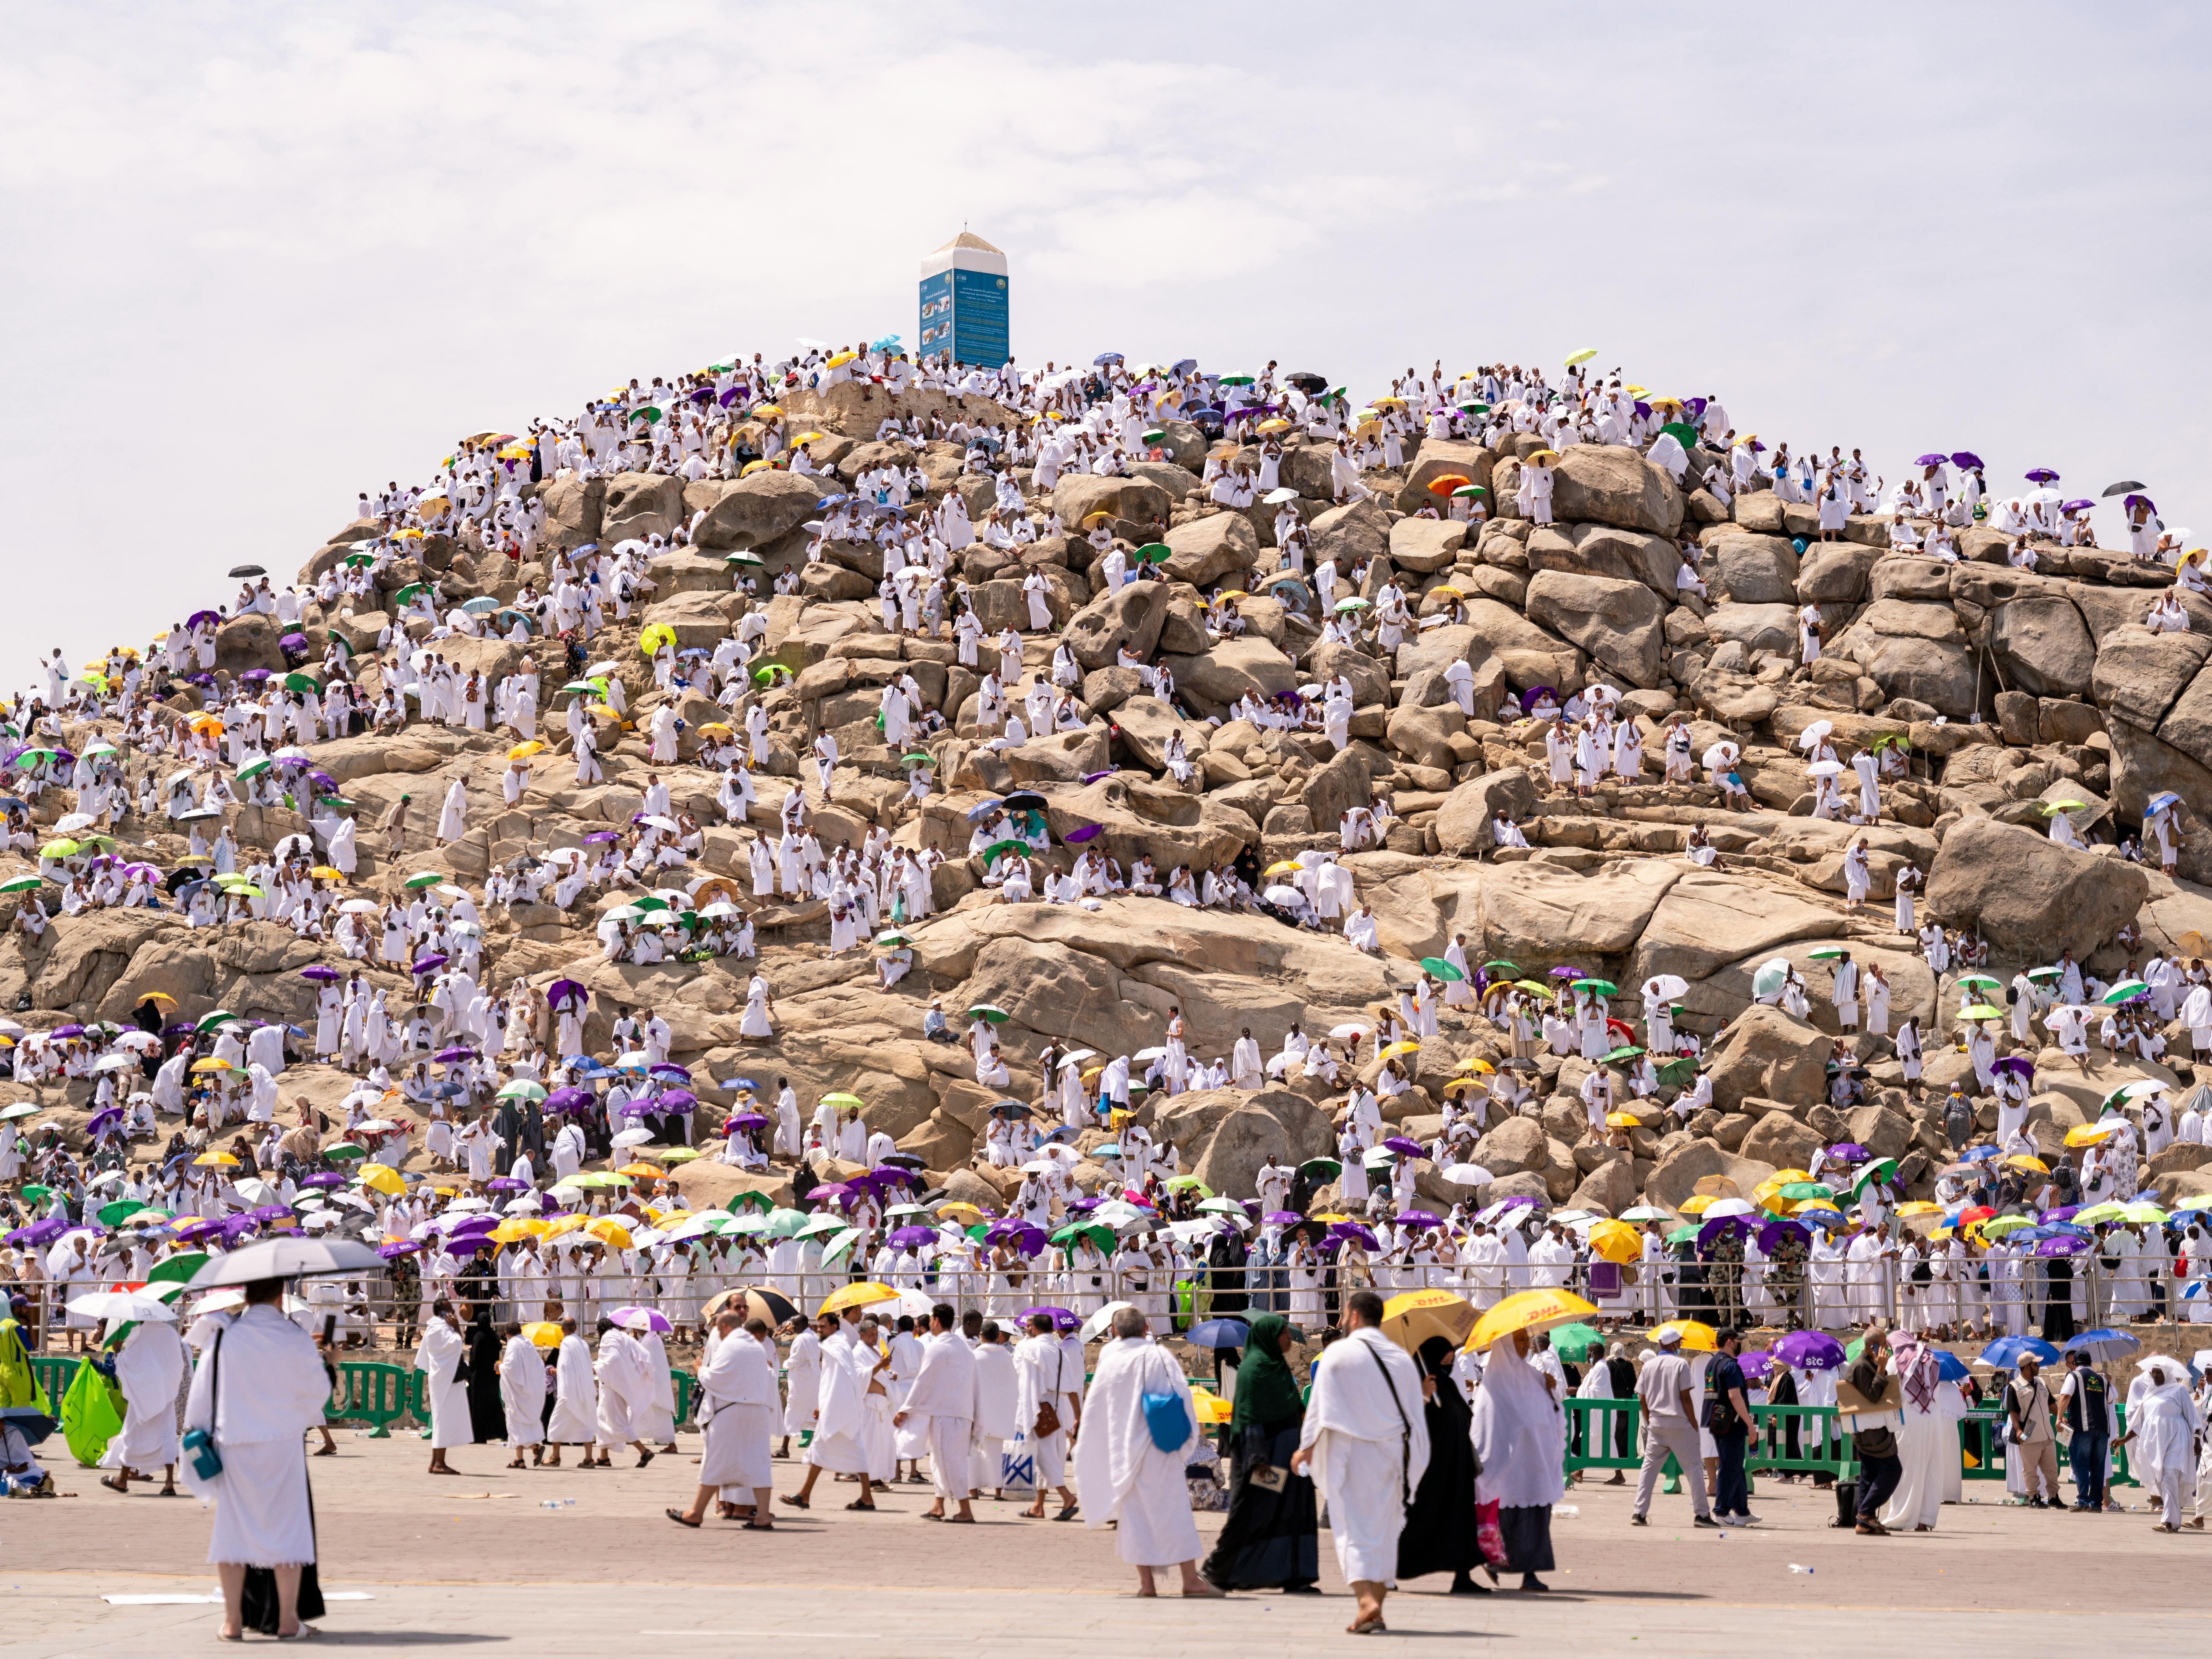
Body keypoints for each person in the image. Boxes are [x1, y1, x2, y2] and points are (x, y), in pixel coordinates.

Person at [183, 1275, 336, 1641]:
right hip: (282, 1443)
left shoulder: (223, 1336)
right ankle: (287, 1620)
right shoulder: (295, 1337)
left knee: (233, 1528)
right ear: (280, 1294)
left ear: (245, 1293)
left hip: (234, 1441)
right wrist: (329, 1362)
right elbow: (316, 1394)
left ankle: (232, 1622)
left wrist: (197, 1436)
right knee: (289, 1528)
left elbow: (201, 1395)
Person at [1292, 1288, 1429, 1633]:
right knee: (1383, 1533)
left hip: (1349, 1456)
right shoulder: (1401, 1359)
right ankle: (1375, 1611)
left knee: (1351, 1529)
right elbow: (1417, 1418)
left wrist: (1306, 1447)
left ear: (1353, 1317)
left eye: (1342, 1315)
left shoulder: (1338, 1354)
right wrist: (1416, 1469)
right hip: (1391, 1457)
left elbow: (1319, 1408)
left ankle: (1366, 1602)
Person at [1073, 1305, 1221, 1598]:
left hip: (1122, 1452)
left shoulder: (1108, 1359)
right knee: (1175, 1513)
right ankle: (1190, 1580)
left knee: (1134, 1519)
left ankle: (1147, 1585)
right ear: (1146, 1329)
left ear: (1114, 1332)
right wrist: (1188, 1443)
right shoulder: (1158, 1355)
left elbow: (1096, 1409)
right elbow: (1181, 1397)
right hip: (1158, 1449)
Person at [1201, 1311, 1320, 1594]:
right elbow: (1250, 1416)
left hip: (1288, 1458)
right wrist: (1258, 1459)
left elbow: (1291, 1406)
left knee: (1294, 1514)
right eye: (1284, 1334)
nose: (1289, 1338)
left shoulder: (1276, 1366)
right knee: (1251, 1515)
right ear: (1270, 1337)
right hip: (1264, 1461)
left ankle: (1295, 1576)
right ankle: (1217, 1572)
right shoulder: (1254, 1369)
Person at [1469, 1325, 1565, 1591]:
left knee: (1536, 1520)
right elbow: (1486, 1428)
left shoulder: (1534, 1377)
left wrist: (1550, 1390)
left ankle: (1529, 1575)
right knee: (1508, 1523)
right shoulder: (1494, 1383)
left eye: (1526, 1339)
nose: (1526, 1344)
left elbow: (1551, 1412)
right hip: (1507, 1470)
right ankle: (1497, 1562)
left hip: (1535, 1465)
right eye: (1520, 1340)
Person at [671, 1311, 777, 1530]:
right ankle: (763, 1516)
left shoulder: (730, 1346)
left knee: (714, 1462)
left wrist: (699, 1369)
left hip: (732, 1413)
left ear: (725, 1328)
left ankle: (695, 1513)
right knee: (759, 1465)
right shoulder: (757, 1347)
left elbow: (714, 1379)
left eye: (718, 1329)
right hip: (757, 1413)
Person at [894, 1302, 980, 1522]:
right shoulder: (964, 1348)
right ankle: (938, 1506)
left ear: (937, 1321)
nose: (929, 1323)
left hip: (947, 1415)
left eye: (931, 1319)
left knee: (949, 1462)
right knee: (941, 1461)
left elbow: (924, 1381)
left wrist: (906, 1409)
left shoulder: (938, 1347)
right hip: (962, 1413)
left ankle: (966, 1510)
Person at [1630, 1327, 1717, 1526]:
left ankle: (1639, 1513)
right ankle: (1702, 1515)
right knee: (1694, 1469)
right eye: (1679, 1343)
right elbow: (1686, 1398)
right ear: (1673, 1344)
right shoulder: (1681, 1365)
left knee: (1648, 1470)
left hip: (1658, 1425)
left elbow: (1641, 1398)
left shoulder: (1648, 1366)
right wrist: (1694, 1424)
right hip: (1680, 1424)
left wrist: (1650, 1419)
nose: (1681, 1346)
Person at [98, 1307, 186, 1497]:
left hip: (142, 1396)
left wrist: (117, 1352)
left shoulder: (138, 1333)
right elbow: (178, 1365)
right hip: (165, 1395)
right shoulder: (171, 1334)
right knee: (167, 1435)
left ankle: (122, 1480)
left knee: (133, 1435)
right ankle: (170, 1483)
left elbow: (128, 1363)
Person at [1879, 1335, 1956, 1533]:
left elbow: (1887, 1393)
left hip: (1910, 1418)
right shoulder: (1930, 1358)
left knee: (1907, 1469)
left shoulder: (1896, 1361)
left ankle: (1901, 1518)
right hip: (1932, 1416)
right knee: (1930, 1467)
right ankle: (1924, 1519)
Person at [2122, 1358, 2201, 1532]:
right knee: (2162, 1480)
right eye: (2153, 1373)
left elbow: (2193, 1416)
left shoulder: (2179, 1390)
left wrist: (2197, 1438)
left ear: (2167, 1374)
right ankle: (2174, 1520)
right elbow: (2141, 1422)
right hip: (2155, 1444)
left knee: (2170, 1476)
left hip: (2177, 1441)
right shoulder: (2150, 1393)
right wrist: (2125, 1439)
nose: (2156, 1376)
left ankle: (2169, 1522)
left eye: (2159, 1373)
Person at [1846, 1321, 1903, 1534]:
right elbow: (1872, 1396)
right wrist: (1881, 1369)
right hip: (1870, 1434)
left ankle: (1863, 1521)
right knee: (1893, 1470)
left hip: (1874, 1430)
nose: (1887, 1349)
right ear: (1872, 1347)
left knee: (1870, 1474)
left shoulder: (1868, 1363)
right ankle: (1865, 1513)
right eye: (1883, 1345)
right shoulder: (1862, 1366)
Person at [414, 1299, 471, 1474]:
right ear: (442, 1312)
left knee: (441, 1419)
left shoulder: (436, 1327)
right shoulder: (440, 1328)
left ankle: (434, 1462)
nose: (453, 1310)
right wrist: (457, 1328)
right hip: (445, 1379)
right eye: (449, 1308)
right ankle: (440, 1463)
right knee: (443, 1420)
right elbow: (455, 1345)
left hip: (442, 1378)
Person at [1706, 1325, 1756, 1524]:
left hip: (1717, 1421)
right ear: (1729, 1342)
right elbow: (1735, 1396)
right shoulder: (1730, 1365)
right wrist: (1750, 1423)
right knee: (1730, 1467)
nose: (1740, 1345)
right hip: (1731, 1423)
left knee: (1735, 1466)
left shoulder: (1713, 1362)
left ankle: (1742, 1511)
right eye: (1738, 1342)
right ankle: (1721, 1511)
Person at [2057, 1348, 2115, 1512]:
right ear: (2091, 1363)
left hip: (2082, 1428)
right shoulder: (2103, 1380)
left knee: (2081, 1465)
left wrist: (2059, 1419)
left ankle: (2083, 1501)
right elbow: (2110, 1401)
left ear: (2075, 1364)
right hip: (2103, 1429)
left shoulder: (2074, 1376)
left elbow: (2066, 1396)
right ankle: (2096, 1504)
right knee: (2098, 1467)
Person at [2007, 1352, 2062, 1507]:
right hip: (2029, 1436)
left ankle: (2054, 1496)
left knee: (2052, 1470)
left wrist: (2061, 1418)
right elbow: (2013, 1412)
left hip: (2047, 1435)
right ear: (2026, 1367)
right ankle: (2034, 1497)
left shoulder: (2042, 1383)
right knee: (2030, 1470)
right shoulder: (2015, 1387)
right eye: (2036, 1365)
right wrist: (2018, 1430)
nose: (2039, 1367)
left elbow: (2051, 1404)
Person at [499, 1324, 547, 1469]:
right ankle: (520, 1459)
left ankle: (533, 1448)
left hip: (517, 1393)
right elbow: (539, 1366)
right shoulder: (528, 1344)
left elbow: (512, 1368)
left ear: (507, 1334)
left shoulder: (513, 1344)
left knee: (515, 1424)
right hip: (529, 1392)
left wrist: (500, 1367)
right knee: (518, 1425)